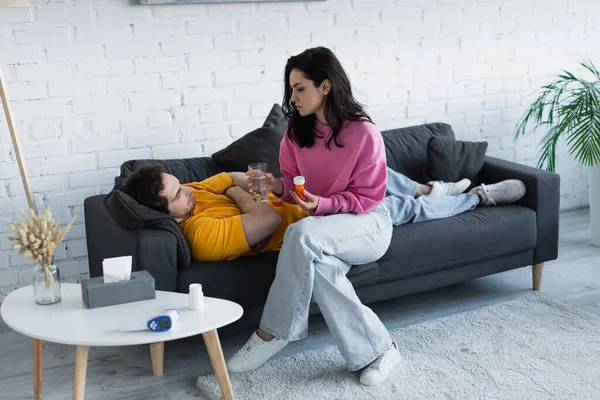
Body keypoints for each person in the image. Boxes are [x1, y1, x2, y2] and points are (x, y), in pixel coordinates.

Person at [225, 46, 399, 386]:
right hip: (324, 228)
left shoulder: (363, 133)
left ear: (326, 86)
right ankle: (380, 349)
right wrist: (275, 185)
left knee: (302, 233)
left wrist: (321, 206)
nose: (292, 97)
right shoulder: (294, 134)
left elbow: (367, 197)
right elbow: (295, 186)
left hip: (368, 223)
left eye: (299, 88)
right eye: (290, 89)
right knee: (320, 268)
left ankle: (271, 332)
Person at [120, 164, 309, 262]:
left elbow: (232, 176)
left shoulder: (190, 192)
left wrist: (238, 189)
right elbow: (269, 219)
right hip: (309, 226)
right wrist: (234, 191)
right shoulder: (201, 235)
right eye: (178, 194)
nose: (189, 189)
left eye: (180, 184)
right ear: (164, 213)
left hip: (306, 197)